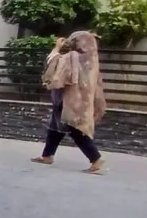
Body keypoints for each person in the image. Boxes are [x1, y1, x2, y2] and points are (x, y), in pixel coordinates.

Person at [31, 30, 107, 174]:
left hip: (69, 100)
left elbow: (53, 64)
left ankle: (96, 159)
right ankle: (47, 155)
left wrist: (56, 48)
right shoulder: (91, 59)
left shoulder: (74, 57)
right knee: (55, 126)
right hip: (79, 100)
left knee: (74, 129)